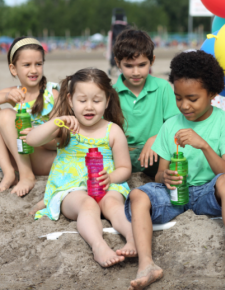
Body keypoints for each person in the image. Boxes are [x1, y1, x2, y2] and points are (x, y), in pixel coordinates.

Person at [124, 50, 225, 290]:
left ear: (211, 94)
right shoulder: (171, 125)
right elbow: (159, 175)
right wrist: (164, 176)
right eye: (178, 98)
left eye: (192, 98)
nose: (184, 105)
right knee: (138, 194)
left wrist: (204, 146)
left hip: (208, 193)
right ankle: (146, 264)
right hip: (176, 194)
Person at [27, 68, 136, 267]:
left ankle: (132, 237)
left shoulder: (112, 131)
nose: (89, 107)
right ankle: (98, 245)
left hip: (105, 185)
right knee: (87, 204)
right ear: (70, 100)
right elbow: (32, 140)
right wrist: (56, 122)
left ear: (107, 101)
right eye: (82, 100)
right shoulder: (66, 127)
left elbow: (124, 168)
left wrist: (110, 178)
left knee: (114, 204)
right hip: (70, 189)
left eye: (96, 101)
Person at [113, 28, 179, 177]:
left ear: (152, 61)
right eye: (128, 66)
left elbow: (174, 124)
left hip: (157, 155)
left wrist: (155, 139)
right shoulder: (110, 93)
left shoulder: (163, 87)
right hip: (121, 157)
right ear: (118, 63)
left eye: (142, 65)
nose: (136, 72)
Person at [0, 37, 59, 196]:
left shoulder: (52, 95)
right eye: (27, 65)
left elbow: (60, 140)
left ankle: (26, 175)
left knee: (5, 115)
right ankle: (9, 172)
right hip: (22, 155)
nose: (34, 70)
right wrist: (6, 97)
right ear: (13, 69)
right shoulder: (16, 93)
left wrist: (37, 135)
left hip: (46, 156)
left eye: (38, 64)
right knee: (3, 114)